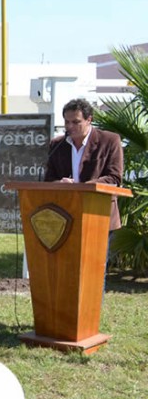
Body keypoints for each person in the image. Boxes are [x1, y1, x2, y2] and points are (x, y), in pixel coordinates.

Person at [45, 98, 125, 279]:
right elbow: (49, 179)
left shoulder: (109, 140)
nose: (70, 127)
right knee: (67, 272)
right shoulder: (57, 145)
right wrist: (59, 184)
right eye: (66, 122)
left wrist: (82, 187)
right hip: (65, 215)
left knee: (93, 273)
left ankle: (92, 308)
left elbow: (114, 178)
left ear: (89, 120)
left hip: (98, 214)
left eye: (76, 122)